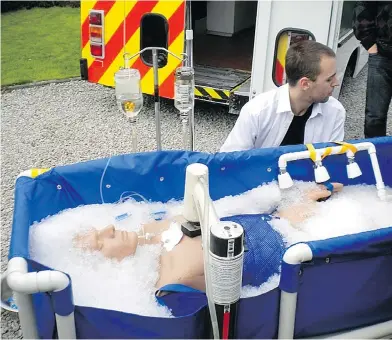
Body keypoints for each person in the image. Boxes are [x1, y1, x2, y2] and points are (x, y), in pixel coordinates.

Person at [74, 182, 343, 292]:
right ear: (106, 266)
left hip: (276, 221)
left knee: (331, 194)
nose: (109, 229)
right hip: (291, 248)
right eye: (101, 241)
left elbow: (222, 210)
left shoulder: (150, 228)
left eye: (101, 230)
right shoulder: (169, 282)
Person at [220, 40, 346, 152]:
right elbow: (230, 161)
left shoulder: (335, 112)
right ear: (305, 84)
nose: (336, 82)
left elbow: (333, 162)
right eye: (329, 79)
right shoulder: (257, 111)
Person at [353, 1, 392, 138]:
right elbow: (363, 7)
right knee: (375, 117)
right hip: (382, 56)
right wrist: (370, 44)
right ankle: (375, 154)